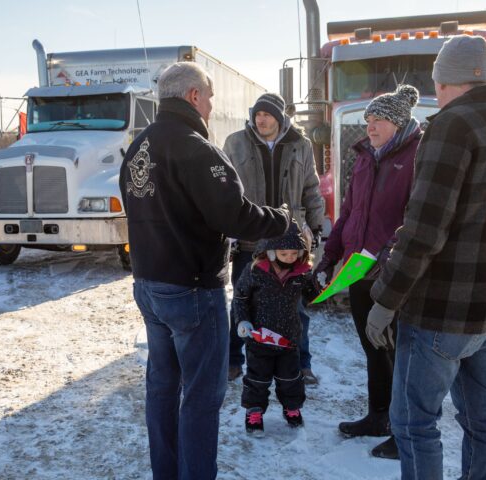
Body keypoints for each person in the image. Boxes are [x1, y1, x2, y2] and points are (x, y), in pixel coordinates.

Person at [366, 35, 486, 479]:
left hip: (440, 311)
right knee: (482, 421)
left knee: (413, 424)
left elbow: (423, 230)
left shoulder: (451, 126)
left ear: (442, 80)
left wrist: (384, 298)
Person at [119, 62, 290, 480]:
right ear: (193, 95)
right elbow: (235, 216)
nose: (212, 105)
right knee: (200, 395)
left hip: (150, 286)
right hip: (192, 290)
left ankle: (168, 472)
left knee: (162, 387)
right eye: (210, 96)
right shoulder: (196, 148)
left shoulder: (139, 146)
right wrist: (282, 219)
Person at [313, 84, 422, 459]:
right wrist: (329, 257)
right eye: (368, 120)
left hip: (393, 274)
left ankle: (403, 430)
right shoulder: (364, 157)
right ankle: (379, 416)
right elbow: (349, 213)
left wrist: (387, 258)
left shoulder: (415, 157)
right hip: (359, 269)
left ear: (397, 122)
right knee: (372, 346)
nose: (369, 127)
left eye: (377, 120)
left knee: (397, 352)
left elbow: (415, 219)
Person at [223, 93, 324, 384]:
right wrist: (227, 232)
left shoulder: (300, 145)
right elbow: (225, 192)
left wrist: (315, 229)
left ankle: (301, 364)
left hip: (288, 238)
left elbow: (311, 188)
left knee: (295, 306)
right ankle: (232, 361)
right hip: (250, 238)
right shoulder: (235, 142)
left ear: (279, 118)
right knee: (241, 301)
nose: (260, 119)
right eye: (257, 114)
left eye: (266, 115)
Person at [232, 220, 319, 436]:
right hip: (259, 337)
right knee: (257, 379)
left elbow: (312, 297)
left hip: (288, 338)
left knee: (290, 378)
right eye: (283, 253)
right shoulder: (255, 271)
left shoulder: (301, 273)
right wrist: (242, 320)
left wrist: (321, 286)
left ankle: (292, 408)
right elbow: (240, 297)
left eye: (293, 253)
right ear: (270, 252)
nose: (290, 258)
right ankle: (254, 412)